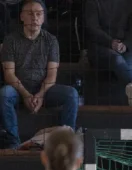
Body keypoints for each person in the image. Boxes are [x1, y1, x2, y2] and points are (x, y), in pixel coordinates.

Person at [0, 0, 79, 150]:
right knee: (4, 94)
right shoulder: (10, 40)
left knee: (72, 95)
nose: (35, 18)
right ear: (22, 16)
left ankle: (66, 141)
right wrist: (26, 95)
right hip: (18, 89)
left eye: (39, 14)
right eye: (30, 14)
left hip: (44, 89)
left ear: (43, 18)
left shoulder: (51, 41)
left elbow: (52, 74)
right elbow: (9, 74)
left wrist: (41, 95)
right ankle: (13, 143)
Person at [82, 0, 132, 105]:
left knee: (130, 63)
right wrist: (110, 42)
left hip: (127, 45)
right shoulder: (93, 2)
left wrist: (125, 44)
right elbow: (92, 28)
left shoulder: (131, 2)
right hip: (101, 46)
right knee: (116, 59)